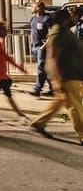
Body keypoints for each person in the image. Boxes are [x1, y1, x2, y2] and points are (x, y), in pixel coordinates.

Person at [29, 8, 83, 144]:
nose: (73, 18)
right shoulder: (58, 33)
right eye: (70, 16)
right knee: (75, 106)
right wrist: (56, 79)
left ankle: (39, 123)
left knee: (62, 101)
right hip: (67, 75)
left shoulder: (63, 32)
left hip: (71, 74)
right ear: (64, 19)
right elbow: (52, 58)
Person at [29, 2, 53, 97]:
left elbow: (52, 33)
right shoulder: (33, 19)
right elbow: (32, 32)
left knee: (41, 68)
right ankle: (53, 88)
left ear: (39, 8)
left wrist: (45, 45)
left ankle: (37, 89)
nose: (31, 8)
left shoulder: (47, 19)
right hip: (35, 47)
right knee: (45, 70)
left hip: (42, 47)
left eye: (32, 6)